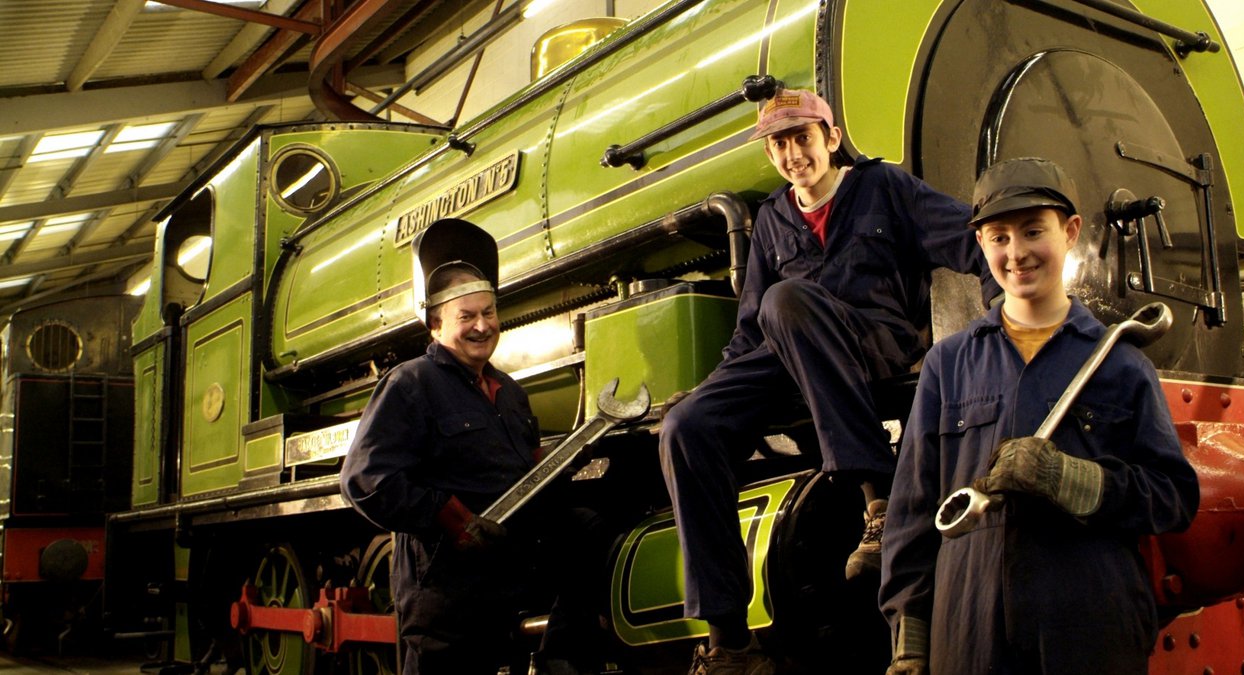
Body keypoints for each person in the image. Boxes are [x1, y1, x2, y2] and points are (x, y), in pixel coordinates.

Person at [658, 89, 993, 673]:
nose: (793, 155)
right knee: (687, 427)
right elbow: (749, 326)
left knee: (789, 302)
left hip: (873, 342)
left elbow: (975, 241)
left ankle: (879, 504)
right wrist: (711, 389)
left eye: (802, 139)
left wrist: (1002, 324)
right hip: (789, 351)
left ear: (830, 138)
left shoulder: (885, 188)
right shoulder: (770, 219)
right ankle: (729, 641)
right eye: (779, 145)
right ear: (770, 153)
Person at [877, 157, 1200, 674]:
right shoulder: (949, 364)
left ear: (1070, 232)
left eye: (1033, 231)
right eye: (999, 237)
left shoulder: (1122, 362)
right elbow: (913, 515)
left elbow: (1173, 497)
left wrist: (1071, 479)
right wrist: (911, 642)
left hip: (1091, 623)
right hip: (968, 629)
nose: (1017, 252)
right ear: (980, 244)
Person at [340, 218, 599, 675]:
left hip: (508, 584)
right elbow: (364, 480)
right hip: (447, 596)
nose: (483, 326)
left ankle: (561, 650)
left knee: (588, 524)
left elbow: (523, 471)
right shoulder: (410, 384)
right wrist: (448, 516)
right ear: (436, 324)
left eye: (489, 313)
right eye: (467, 317)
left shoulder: (509, 391)